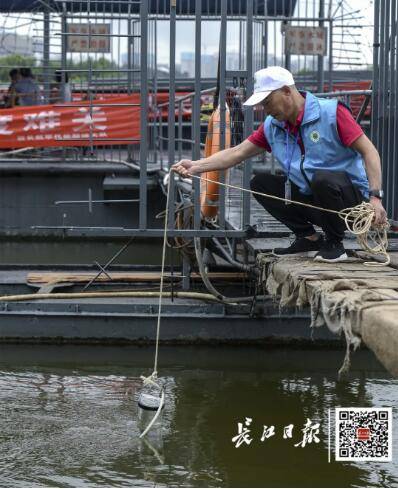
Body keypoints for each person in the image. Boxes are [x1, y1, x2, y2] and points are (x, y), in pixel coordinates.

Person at [172, 66, 387, 263]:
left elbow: (370, 152)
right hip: (316, 198)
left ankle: (334, 243)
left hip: (348, 205)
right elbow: (237, 152)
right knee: (260, 184)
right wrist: (196, 166)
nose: (265, 109)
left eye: (267, 102)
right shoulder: (273, 126)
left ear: (286, 91)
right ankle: (308, 238)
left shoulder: (331, 113)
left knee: (322, 178)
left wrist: (375, 197)